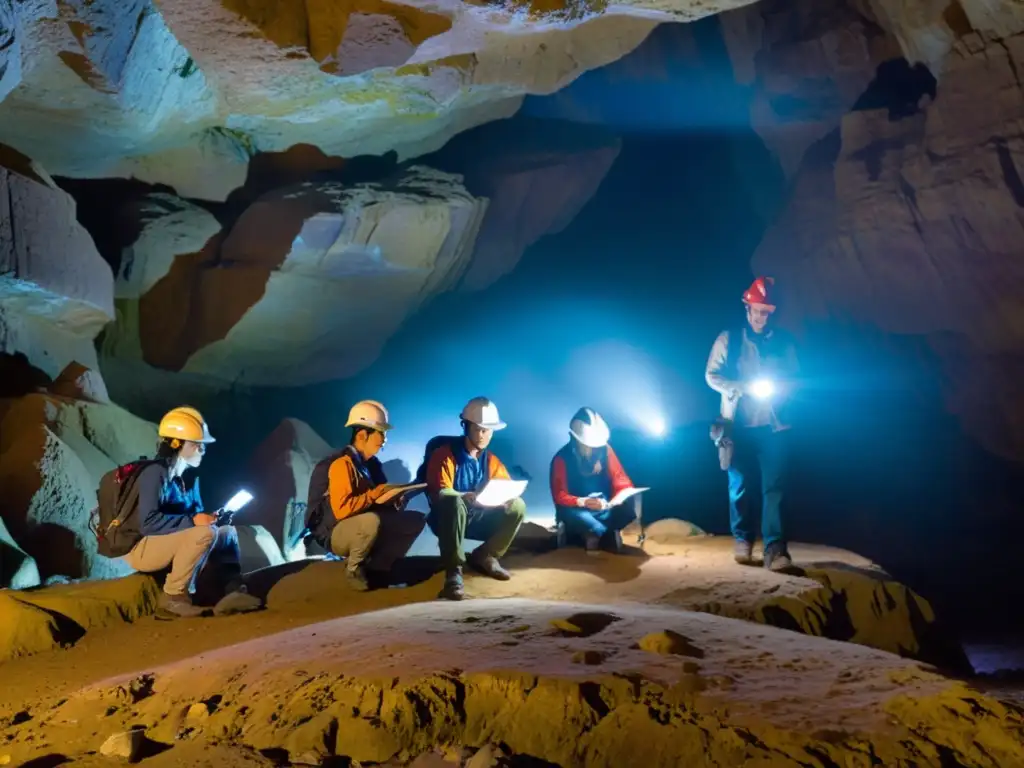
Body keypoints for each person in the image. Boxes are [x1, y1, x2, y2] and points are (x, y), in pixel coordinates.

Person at [122, 406, 262, 618]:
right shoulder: (155, 473)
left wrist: (212, 518)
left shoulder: (186, 479)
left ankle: (232, 591)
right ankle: (172, 597)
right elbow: (148, 523)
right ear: (176, 444)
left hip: (165, 541)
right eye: (197, 445)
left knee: (226, 532)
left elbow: (190, 521)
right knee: (204, 533)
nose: (202, 450)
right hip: (140, 546)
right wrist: (194, 521)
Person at [705, 276, 799, 572]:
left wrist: (781, 388)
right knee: (740, 484)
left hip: (774, 425)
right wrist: (738, 385)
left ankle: (775, 548)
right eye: (756, 311)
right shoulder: (728, 339)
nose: (761, 317)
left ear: (773, 313)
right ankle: (743, 539)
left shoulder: (784, 342)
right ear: (747, 309)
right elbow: (711, 374)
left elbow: (796, 377)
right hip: (738, 425)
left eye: (766, 312)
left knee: (775, 487)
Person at [305, 400, 426, 591]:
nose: (384, 440)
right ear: (362, 435)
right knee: (370, 521)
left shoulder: (372, 466)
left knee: (414, 520)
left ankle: (380, 569)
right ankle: (353, 570)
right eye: (381, 433)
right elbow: (342, 510)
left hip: (361, 525)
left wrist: (396, 499)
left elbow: (378, 501)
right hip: (334, 532)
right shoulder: (342, 464)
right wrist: (373, 496)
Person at [421, 397, 526, 601]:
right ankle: (454, 571)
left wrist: (504, 499)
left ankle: (486, 555)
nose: (481, 434)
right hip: (447, 518)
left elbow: (504, 486)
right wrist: (463, 496)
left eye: (486, 430)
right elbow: (441, 491)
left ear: (492, 432)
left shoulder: (491, 460)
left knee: (517, 506)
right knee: (453, 502)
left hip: (478, 516)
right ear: (466, 426)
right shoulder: (445, 455)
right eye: (476, 428)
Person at [549, 407, 639, 554]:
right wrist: (582, 502)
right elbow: (559, 495)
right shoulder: (561, 459)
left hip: (603, 505)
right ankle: (596, 532)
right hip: (577, 508)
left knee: (627, 510)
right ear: (574, 440)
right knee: (580, 518)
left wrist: (621, 494)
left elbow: (619, 477)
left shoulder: (605, 450)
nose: (592, 449)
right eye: (587, 445)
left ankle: (599, 532)